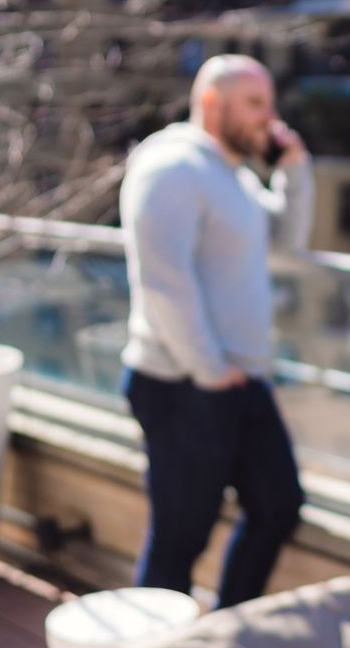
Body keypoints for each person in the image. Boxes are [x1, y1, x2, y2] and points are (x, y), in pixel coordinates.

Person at [118, 54, 315, 608]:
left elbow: (285, 242)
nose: (269, 119)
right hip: (184, 386)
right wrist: (209, 369)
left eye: (271, 104)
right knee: (181, 540)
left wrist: (293, 169)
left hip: (240, 381)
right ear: (211, 103)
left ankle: (225, 627)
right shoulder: (173, 167)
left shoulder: (233, 177)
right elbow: (163, 280)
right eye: (255, 103)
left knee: (278, 504)